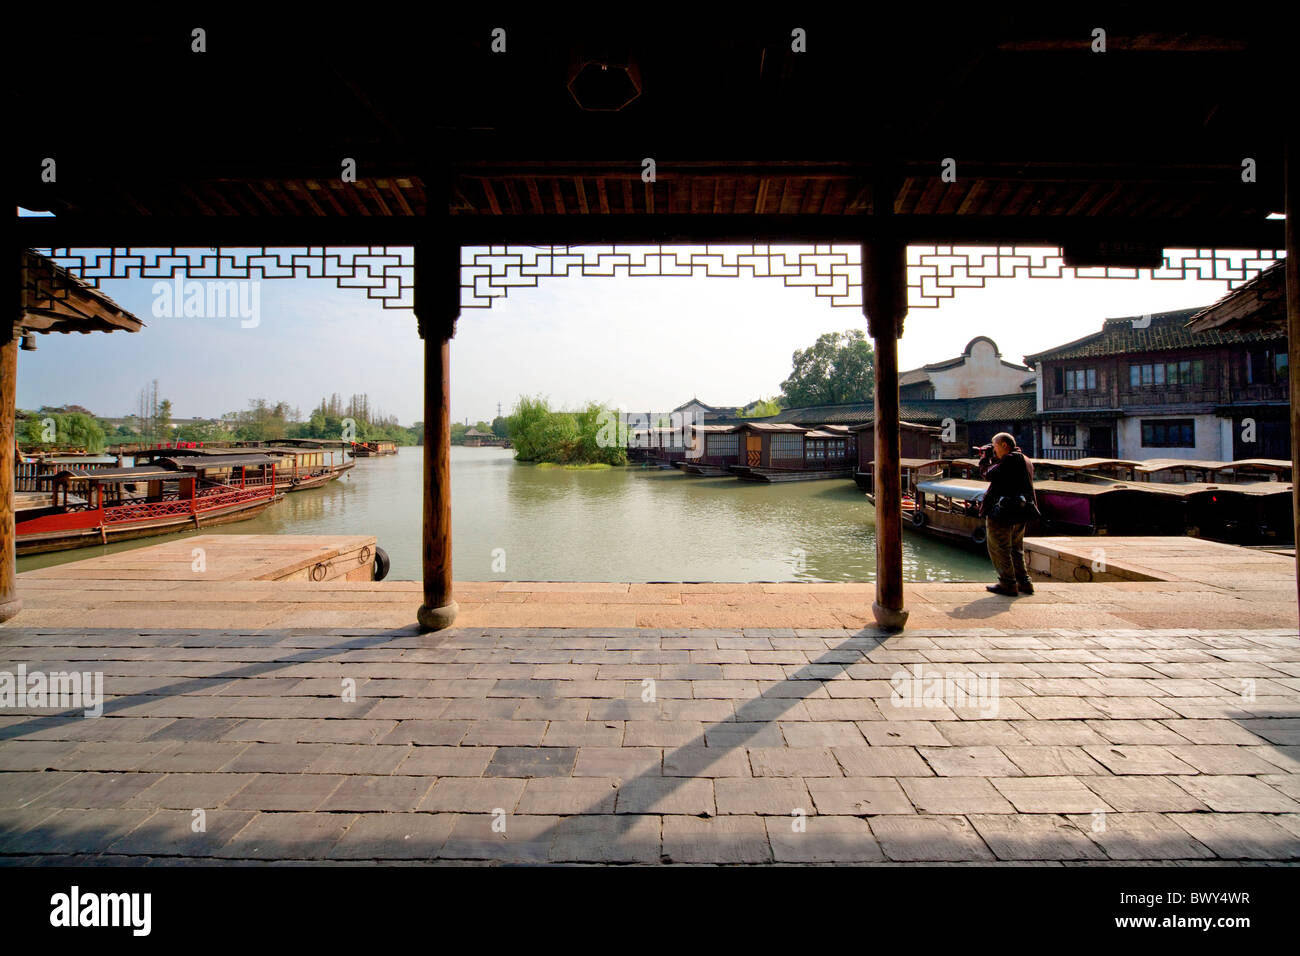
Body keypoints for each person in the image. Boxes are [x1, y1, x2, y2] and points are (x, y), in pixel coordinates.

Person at [978, 432, 1037, 596]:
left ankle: (1007, 583)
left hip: (1004, 512)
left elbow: (988, 474)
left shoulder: (1011, 459)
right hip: (1020, 511)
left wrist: (984, 459)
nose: (993, 449)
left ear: (1004, 445)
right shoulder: (1023, 459)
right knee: (1016, 549)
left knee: (999, 547)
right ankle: (1023, 582)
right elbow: (1002, 472)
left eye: (994, 446)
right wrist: (994, 458)